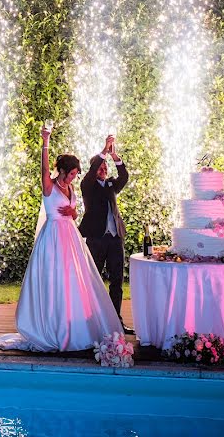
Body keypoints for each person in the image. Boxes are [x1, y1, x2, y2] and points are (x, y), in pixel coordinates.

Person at [0, 126, 123, 352]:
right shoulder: (49, 186)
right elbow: (43, 168)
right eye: (71, 173)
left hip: (71, 238)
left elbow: (73, 211)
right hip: (52, 238)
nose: (73, 178)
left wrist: (74, 213)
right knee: (55, 280)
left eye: (75, 175)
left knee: (75, 281)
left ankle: (76, 324)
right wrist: (46, 141)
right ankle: (53, 325)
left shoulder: (70, 188)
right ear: (62, 170)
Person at [79, 135, 133, 334]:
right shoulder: (87, 185)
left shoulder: (111, 185)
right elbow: (93, 171)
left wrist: (115, 156)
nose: (103, 170)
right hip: (96, 238)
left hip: (115, 239)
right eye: (100, 168)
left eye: (105, 167)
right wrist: (103, 150)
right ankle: (93, 319)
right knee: (94, 280)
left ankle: (116, 321)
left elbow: (124, 177)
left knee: (117, 281)